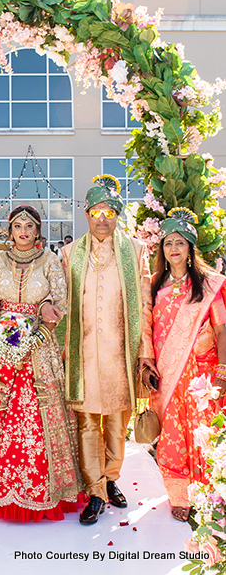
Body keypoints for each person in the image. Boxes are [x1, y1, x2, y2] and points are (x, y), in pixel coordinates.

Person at [0, 205, 83, 522]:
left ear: (38, 231)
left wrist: (45, 313)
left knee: (35, 415)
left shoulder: (50, 261)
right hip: (1, 344)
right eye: (17, 226)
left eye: (29, 226)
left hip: (38, 345)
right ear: (9, 230)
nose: (23, 231)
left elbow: (59, 297)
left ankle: (43, 491)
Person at [62, 174, 156, 525]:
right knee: (86, 424)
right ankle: (95, 491)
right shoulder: (70, 253)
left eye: (109, 212)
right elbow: (61, 303)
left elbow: (144, 304)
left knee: (117, 423)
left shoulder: (134, 250)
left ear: (118, 216)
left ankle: (111, 478)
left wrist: (144, 352)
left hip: (120, 353)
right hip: (82, 354)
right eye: (96, 211)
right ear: (86, 215)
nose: (102, 218)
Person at [149, 208, 226, 522]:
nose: (174, 249)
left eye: (180, 243)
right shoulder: (155, 286)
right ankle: (179, 496)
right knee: (173, 437)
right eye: (168, 243)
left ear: (191, 249)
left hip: (202, 377)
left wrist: (222, 371)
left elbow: (221, 329)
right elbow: (148, 331)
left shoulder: (209, 285)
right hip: (169, 377)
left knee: (204, 435)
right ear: (163, 250)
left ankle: (210, 494)